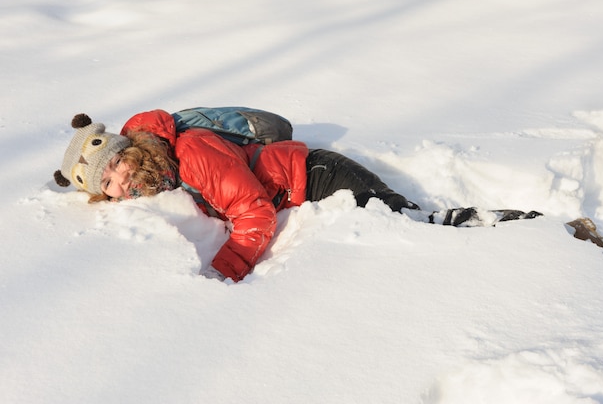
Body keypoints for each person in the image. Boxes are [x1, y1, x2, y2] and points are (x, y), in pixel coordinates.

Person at [53, 108, 542, 282]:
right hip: (311, 182)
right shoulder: (166, 164)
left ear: (125, 150)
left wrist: (224, 273)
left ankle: (522, 230)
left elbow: (253, 212)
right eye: (110, 189)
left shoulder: (192, 150)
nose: (122, 185)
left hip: (322, 177)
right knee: (415, 228)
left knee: (418, 226)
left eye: (116, 168)